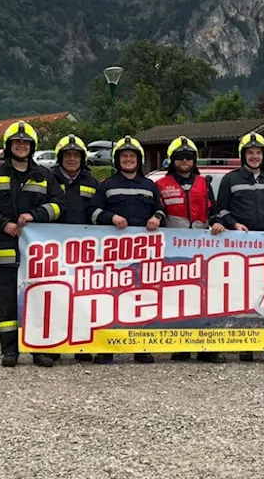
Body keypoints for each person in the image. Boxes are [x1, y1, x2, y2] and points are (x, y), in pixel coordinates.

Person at [0, 121, 65, 368]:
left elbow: (58, 205)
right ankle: (10, 351)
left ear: (32, 147)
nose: (21, 146)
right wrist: (3, 224)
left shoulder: (44, 176)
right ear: (9, 145)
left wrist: (35, 215)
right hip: (3, 247)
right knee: (6, 300)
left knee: (37, 300)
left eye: (26, 143)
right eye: (17, 142)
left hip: (36, 253)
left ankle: (38, 350)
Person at [88, 135, 167, 365]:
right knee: (110, 298)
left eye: (132, 156)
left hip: (143, 254)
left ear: (138, 160)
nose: (129, 160)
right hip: (114, 255)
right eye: (124, 156)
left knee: (141, 298)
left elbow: (162, 211)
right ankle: (106, 349)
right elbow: (92, 212)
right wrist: (110, 216)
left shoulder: (149, 186)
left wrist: (156, 218)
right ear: (118, 160)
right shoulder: (107, 185)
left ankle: (141, 347)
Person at [209, 131, 264, 362]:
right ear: (243, 155)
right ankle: (246, 345)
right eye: (250, 153)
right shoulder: (230, 179)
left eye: (258, 152)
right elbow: (220, 210)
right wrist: (234, 224)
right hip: (240, 248)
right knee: (245, 295)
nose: (254, 156)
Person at [158, 136, 224, 364]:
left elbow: (214, 210)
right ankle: (181, 346)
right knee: (178, 296)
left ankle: (208, 348)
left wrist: (217, 222)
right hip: (173, 250)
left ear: (193, 160)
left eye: (188, 157)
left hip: (203, 249)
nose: (184, 161)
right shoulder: (161, 184)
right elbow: (158, 211)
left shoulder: (204, 183)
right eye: (179, 157)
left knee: (206, 297)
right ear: (172, 160)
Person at [51, 134, 102, 364]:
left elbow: (98, 211)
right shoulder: (47, 178)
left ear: (82, 158)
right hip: (53, 248)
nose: (72, 159)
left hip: (84, 251)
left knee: (82, 298)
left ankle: (82, 346)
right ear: (60, 157)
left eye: (76, 155)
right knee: (55, 296)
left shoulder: (92, 182)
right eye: (67, 155)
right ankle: (51, 346)